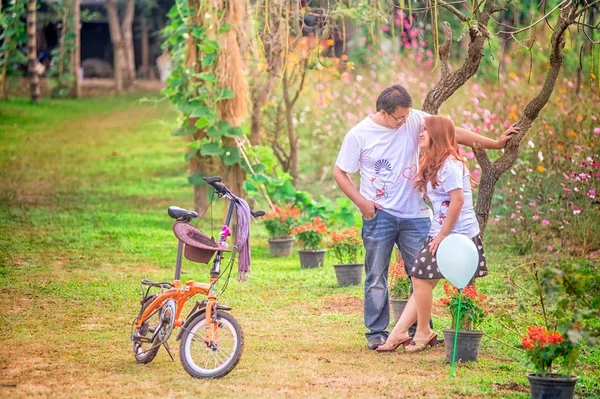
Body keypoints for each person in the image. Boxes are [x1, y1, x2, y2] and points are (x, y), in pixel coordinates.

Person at [333, 85, 518, 350]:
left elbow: (453, 133)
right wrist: (362, 203)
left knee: (420, 274)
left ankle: (418, 329)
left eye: (408, 116)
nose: (407, 122)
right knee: (376, 275)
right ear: (384, 113)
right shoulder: (359, 135)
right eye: (400, 118)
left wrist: (496, 144)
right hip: (379, 214)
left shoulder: (413, 120)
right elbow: (340, 172)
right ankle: (376, 332)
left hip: (416, 216)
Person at [376, 115, 490, 353]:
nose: (421, 133)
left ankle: (422, 331)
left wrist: (442, 236)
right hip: (441, 231)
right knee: (423, 281)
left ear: (437, 135)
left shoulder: (450, 164)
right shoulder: (435, 161)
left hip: (456, 234)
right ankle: (400, 332)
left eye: (426, 130)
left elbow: (457, 201)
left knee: (420, 279)